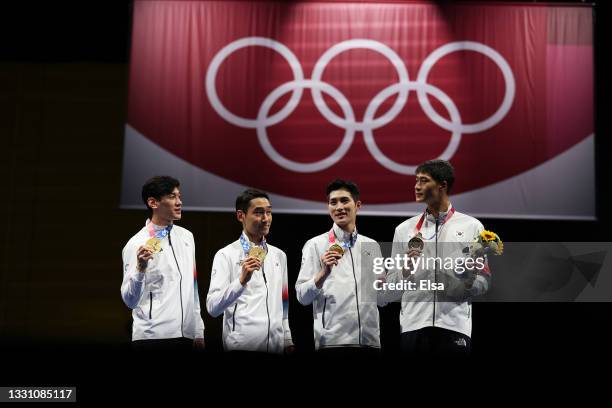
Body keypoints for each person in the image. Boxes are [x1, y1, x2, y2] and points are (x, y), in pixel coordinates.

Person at [386, 160, 491, 355]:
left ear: (442, 185)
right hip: (413, 327)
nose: (416, 186)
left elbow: (484, 282)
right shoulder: (403, 230)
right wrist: (405, 271)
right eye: (416, 180)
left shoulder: (472, 227)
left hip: (454, 327)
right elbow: (390, 288)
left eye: (424, 181)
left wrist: (469, 283)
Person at [296, 179, 387, 355]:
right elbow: (302, 296)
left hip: (370, 343)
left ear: (358, 205)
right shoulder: (315, 245)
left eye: (344, 200)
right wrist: (323, 274)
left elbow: (382, 300)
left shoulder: (372, 245)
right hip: (332, 343)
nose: (339, 207)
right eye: (333, 202)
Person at [121, 176, 205, 351]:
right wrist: (140, 269)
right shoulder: (136, 244)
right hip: (152, 338)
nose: (179, 202)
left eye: (179, 196)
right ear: (153, 202)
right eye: (172, 197)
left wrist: (198, 331)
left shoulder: (187, 237)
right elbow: (129, 300)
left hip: (187, 337)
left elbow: (193, 287)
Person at [206, 189, 293, 353]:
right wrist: (241, 282)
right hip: (241, 347)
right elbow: (212, 308)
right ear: (241, 216)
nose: (266, 219)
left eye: (269, 212)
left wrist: (287, 338)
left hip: (276, 347)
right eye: (259, 213)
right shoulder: (226, 255)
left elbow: (284, 302)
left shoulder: (279, 255)